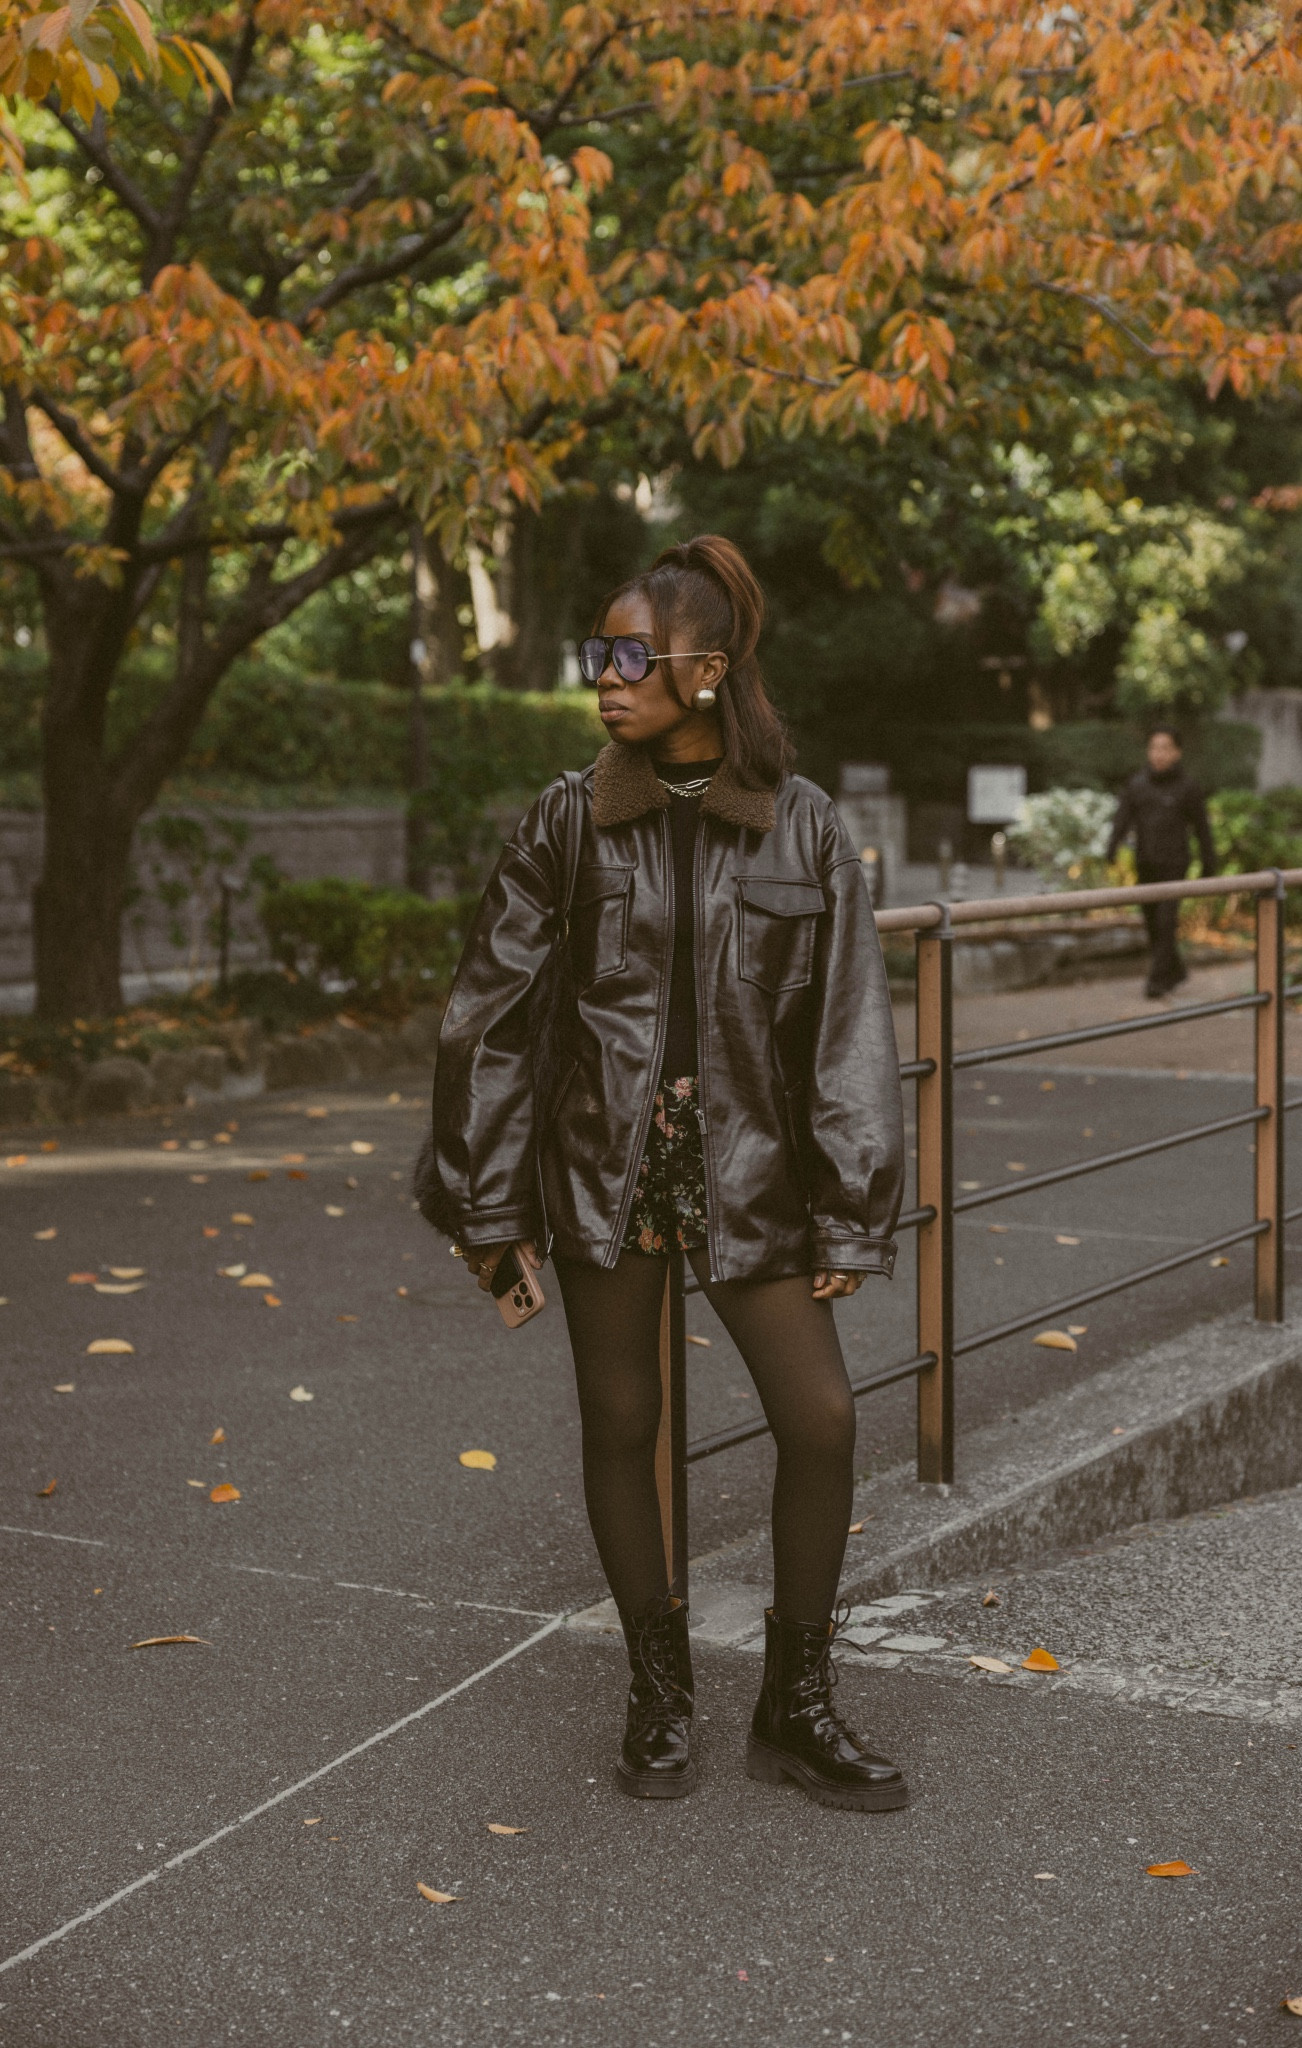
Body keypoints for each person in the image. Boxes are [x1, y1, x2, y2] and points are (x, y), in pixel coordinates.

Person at [430, 536, 907, 1813]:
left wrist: (855, 1208)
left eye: (629, 655)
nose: (604, 678)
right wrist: (485, 1203)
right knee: (622, 1424)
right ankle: (658, 1686)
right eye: (598, 653)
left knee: (821, 1419)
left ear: (707, 668)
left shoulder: (804, 827)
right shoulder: (567, 816)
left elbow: (849, 1025)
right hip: (603, 1164)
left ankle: (793, 1705)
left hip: (755, 1171)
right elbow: (490, 1015)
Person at [1106, 724, 1216, 999]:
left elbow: (1202, 828)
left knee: (1167, 923)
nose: (1159, 754)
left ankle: (1155, 982)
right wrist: (1111, 848)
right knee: (1153, 925)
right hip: (1145, 863)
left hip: (1174, 865)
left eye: (1166, 748)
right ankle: (1176, 970)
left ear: (1177, 752)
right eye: (1155, 748)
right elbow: (1122, 818)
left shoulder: (1188, 787)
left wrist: (1208, 863)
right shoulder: (1138, 784)